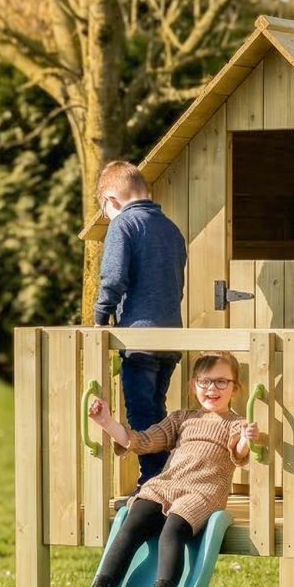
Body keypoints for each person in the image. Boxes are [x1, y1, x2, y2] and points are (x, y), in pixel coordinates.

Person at [62, 351, 259, 587]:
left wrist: (247, 440)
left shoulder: (236, 424)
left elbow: (239, 452)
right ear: (193, 385)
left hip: (202, 492)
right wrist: (106, 422)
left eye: (221, 382)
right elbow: (143, 440)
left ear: (234, 387)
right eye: (205, 382)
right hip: (167, 484)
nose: (212, 389)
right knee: (133, 521)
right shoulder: (182, 419)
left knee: (173, 529)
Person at [93, 160, 187, 488]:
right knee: (157, 411)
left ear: (111, 200)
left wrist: (101, 317)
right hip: (172, 336)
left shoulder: (124, 225)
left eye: (105, 212)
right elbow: (177, 285)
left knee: (141, 412)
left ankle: (153, 481)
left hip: (139, 336)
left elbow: (113, 277)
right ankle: (166, 476)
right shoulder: (171, 229)